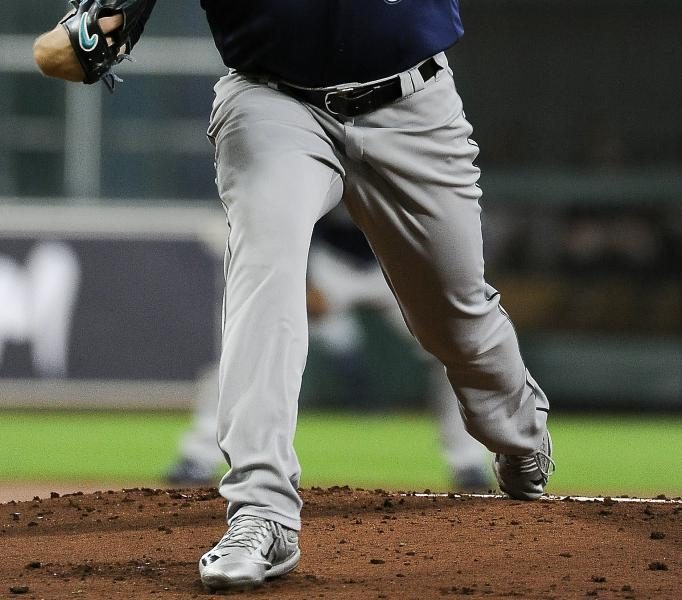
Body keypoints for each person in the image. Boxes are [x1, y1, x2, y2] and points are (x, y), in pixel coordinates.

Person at [32, 0, 581, 592]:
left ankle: (517, 433)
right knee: (268, 275)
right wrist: (75, 45)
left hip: (414, 102)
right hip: (273, 104)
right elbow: (98, 21)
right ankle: (259, 511)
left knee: (457, 316)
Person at [164, 206, 493, 493]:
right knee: (251, 341)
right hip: (328, 263)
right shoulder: (330, 143)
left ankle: (468, 463)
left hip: (400, 259)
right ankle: (198, 455)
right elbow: (295, 214)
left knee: (457, 347)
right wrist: (304, 280)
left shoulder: (409, 147)